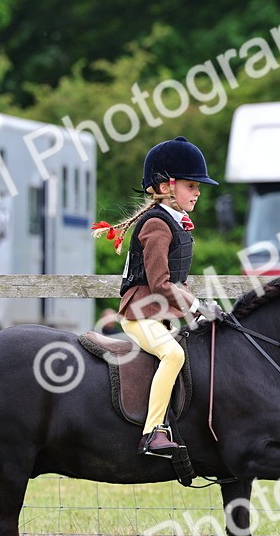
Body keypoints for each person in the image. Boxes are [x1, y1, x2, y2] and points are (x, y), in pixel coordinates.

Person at [91, 137, 218, 457]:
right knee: (173, 355)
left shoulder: (176, 225)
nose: (198, 192)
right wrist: (197, 305)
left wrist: (198, 313)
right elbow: (161, 284)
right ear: (166, 187)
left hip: (161, 314)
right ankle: (152, 432)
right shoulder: (157, 227)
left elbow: (179, 283)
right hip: (140, 315)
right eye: (192, 185)